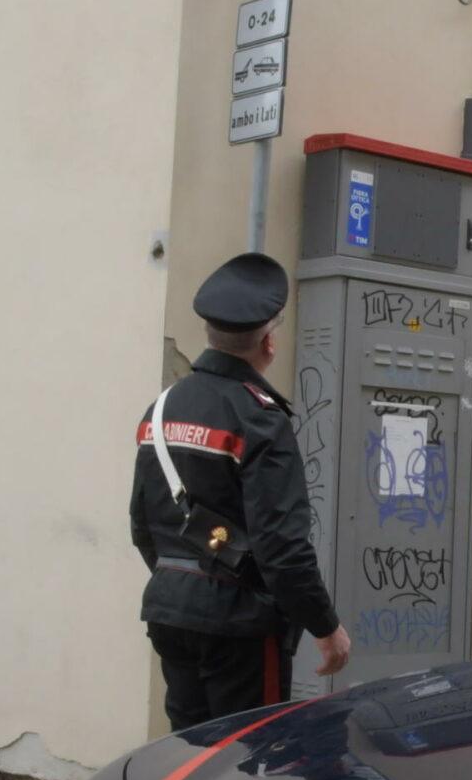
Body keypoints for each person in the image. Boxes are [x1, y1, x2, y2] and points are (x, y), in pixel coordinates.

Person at [132, 253, 352, 732]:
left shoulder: (162, 406)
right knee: (249, 759)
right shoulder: (259, 419)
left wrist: (185, 585)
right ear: (269, 341)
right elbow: (283, 548)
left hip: (171, 609)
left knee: (187, 753)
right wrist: (326, 626)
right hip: (241, 623)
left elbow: (142, 525)